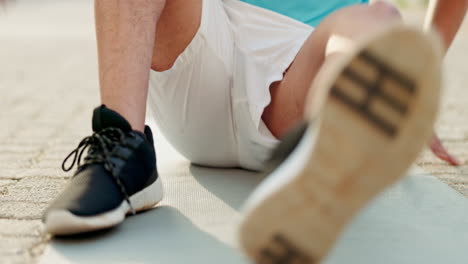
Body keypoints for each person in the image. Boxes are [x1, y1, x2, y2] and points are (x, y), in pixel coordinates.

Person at [42, 0, 467, 261]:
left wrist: (418, 71)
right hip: (206, 39)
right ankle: (124, 150)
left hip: (304, 65)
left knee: (377, 20)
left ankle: (318, 147)